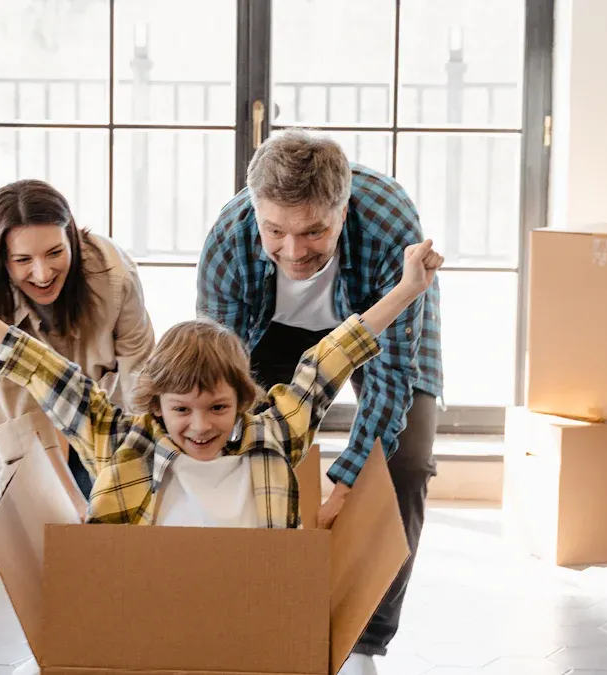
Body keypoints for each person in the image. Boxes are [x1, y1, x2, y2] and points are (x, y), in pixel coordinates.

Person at [0, 240, 442, 528]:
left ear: (243, 401)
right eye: (181, 410)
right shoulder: (123, 443)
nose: (200, 427)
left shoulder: (274, 435)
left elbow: (330, 359)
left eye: (218, 408)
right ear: (156, 406)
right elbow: (46, 370)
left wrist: (407, 289)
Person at [196, 130, 443, 674]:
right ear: (255, 212)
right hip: (270, 332)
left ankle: (363, 641)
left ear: (342, 210)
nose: (293, 252)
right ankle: (264, 613)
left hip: (376, 323)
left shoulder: (389, 227)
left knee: (403, 464)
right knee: (249, 452)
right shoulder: (228, 240)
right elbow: (219, 375)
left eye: (314, 231)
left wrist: (348, 480)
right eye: (275, 231)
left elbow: (392, 374)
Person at [0, 179, 154, 511]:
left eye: (55, 252)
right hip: (29, 416)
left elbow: (140, 374)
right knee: (47, 511)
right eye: (23, 260)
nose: (43, 273)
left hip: (102, 407)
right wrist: (73, 506)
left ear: (71, 238)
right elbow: (24, 416)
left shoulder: (115, 275)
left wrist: (137, 468)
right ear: (2, 261)